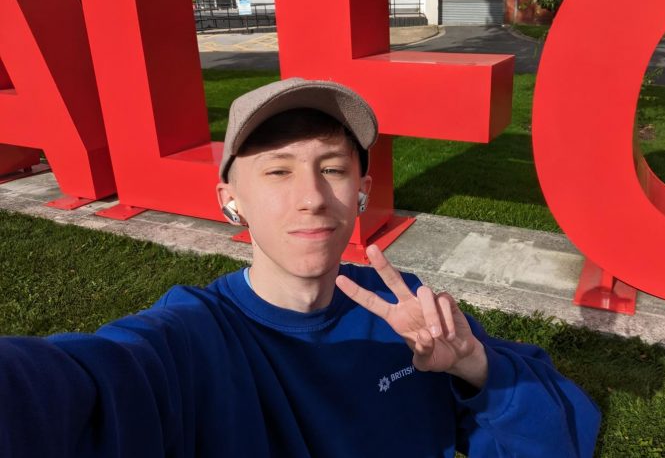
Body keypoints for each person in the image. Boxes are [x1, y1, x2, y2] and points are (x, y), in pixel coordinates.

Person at [0, 78, 601, 457]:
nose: (313, 197)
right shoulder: (189, 338)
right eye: (278, 170)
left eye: (333, 169)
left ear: (362, 191)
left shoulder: (405, 310)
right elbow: (63, 390)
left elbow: (560, 431)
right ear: (229, 198)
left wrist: (473, 365)